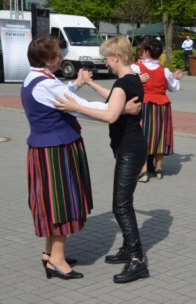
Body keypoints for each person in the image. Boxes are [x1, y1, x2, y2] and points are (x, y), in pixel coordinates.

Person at [21, 36, 139, 281]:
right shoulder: (45, 84)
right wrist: (119, 110)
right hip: (56, 149)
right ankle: (58, 259)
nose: (60, 56)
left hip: (47, 147)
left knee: (51, 201)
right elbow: (77, 106)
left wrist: (77, 83)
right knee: (61, 202)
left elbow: (63, 94)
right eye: (57, 54)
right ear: (49, 60)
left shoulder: (36, 78)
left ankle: (49, 252)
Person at [55, 36, 150, 283]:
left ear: (116, 57)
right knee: (124, 203)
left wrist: (74, 106)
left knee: (120, 205)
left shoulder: (124, 83)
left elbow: (109, 114)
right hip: (131, 147)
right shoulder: (132, 80)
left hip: (130, 150)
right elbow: (114, 100)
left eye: (107, 59)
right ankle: (129, 249)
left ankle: (137, 260)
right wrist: (91, 86)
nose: (106, 64)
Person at [132, 37, 182, 182]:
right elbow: (174, 88)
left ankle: (143, 171)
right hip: (162, 106)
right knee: (160, 136)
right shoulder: (164, 70)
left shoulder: (136, 68)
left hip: (145, 105)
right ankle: (159, 168)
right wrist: (177, 78)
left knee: (143, 136)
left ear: (146, 52)